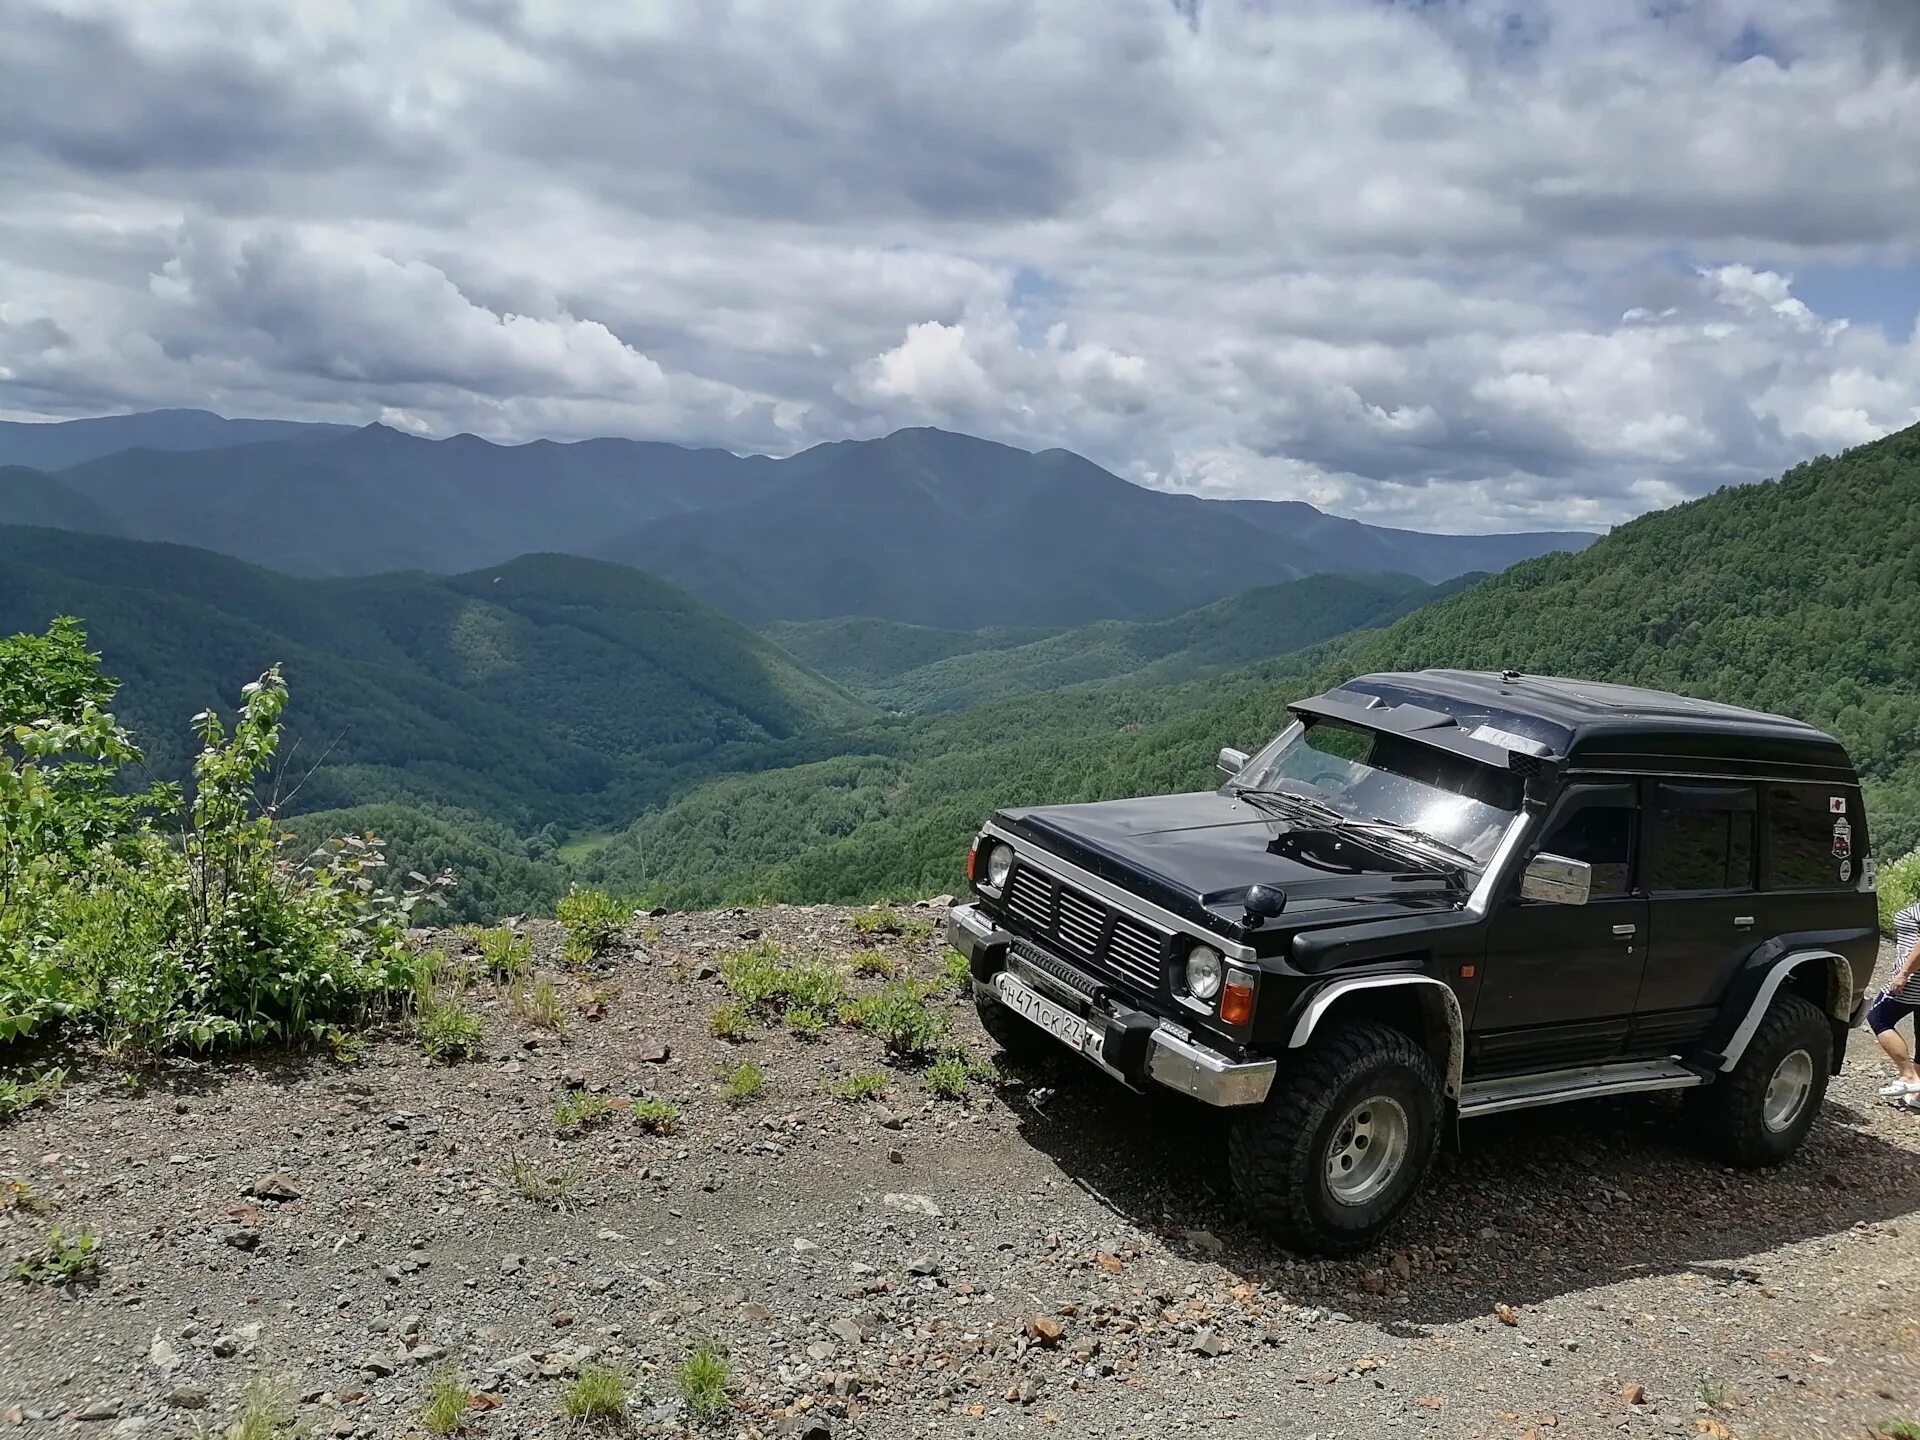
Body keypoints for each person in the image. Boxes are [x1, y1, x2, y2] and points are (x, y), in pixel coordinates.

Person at [1871, 899, 1920, 1106]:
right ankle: (1918, 1094)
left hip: (1915, 978)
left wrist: (1904, 973)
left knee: (1878, 1017)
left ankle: (1908, 1075)